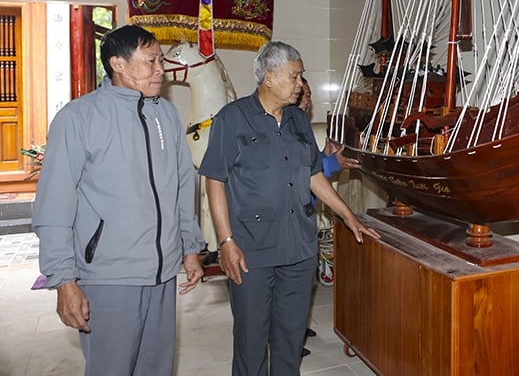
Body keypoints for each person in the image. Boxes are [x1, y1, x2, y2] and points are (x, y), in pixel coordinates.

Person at [32, 24, 206, 376]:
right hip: (109, 277)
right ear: (118, 64)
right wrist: (64, 280)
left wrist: (190, 248)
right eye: (151, 60)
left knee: (156, 368)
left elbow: (181, 187)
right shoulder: (78, 119)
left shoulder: (167, 116)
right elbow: (54, 204)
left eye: (161, 60)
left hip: (161, 274)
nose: (161, 69)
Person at [199, 40, 380, 376]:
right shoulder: (232, 119)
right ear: (269, 77)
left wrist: (348, 215)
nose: (300, 84)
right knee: (252, 340)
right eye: (294, 76)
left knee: (290, 337)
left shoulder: (297, 120)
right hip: (252, 248)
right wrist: (225, 242)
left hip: (299, 247)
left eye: (301, 77)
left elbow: (313, 174)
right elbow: (214, 180)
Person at [295, 76, 360, 357]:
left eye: (309, 94)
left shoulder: (302, 127)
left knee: (305, 277)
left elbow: (312, 164)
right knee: (292, 283)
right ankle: (287, 338)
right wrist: (333, 161)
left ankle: (295, 327)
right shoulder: (289, 128)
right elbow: (301, 171)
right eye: (304, 95)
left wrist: (326, 154)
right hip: (294, 213)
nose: (308, 101)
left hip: (306, 210)